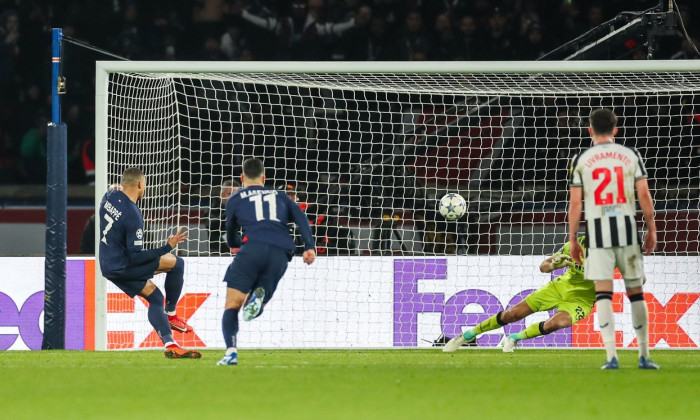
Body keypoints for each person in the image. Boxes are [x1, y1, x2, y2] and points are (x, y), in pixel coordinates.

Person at [568, 108, 658, 370]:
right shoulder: (630, 155)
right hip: (627, 229)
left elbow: (576, 202)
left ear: (590, 130)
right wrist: (651, 227)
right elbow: (644, 194)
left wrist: (573, 238)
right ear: (615, 131)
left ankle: (612, 358)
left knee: (604, 294)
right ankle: (644, 355)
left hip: (598, 233)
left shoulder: (581, 159)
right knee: (636, 293)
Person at [218, 158, 316, 366]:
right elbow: (301, 219)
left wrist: (236, 243)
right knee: (257, 302)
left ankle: (231, 352)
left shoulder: (236, 199)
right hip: (280, 252)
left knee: (232, 305)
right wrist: (309, 247)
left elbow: (231, 236)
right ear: (263, 178)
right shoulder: (280, 196)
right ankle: (257, 298)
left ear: (242, 178)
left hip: (252, 248)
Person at [98, 167, 201, 359]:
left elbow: (111, 188)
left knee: (155, 297)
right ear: (139, 184)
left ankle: (170, 344)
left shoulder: (109, 196)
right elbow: (136, 257)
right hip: (124, 266)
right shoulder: (133, 215)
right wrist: (167, 246)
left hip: (107, 264)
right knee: (176, 264)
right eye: (144, 185)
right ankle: (171, 314)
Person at [443, 236, 594, 353]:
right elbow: (544, 267)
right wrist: (554, 264)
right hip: (558, 288)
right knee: (512, 314)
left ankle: (514, 338)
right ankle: (467, 336)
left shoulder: (610, 253)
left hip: (582, 299)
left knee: (557, 323)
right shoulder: (574, 246)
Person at [207, 179, 240, 255]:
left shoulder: (242, 209)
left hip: (238, 254)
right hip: (218, 253)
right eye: (230, 194)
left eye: (236, 195)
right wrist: (229, 213)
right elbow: (209, 224)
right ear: (222, 195)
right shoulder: (213, 207)